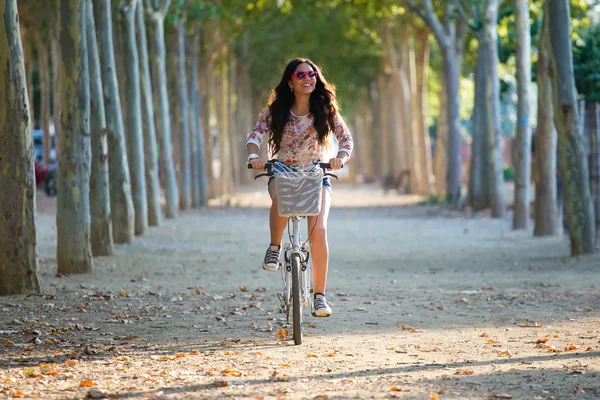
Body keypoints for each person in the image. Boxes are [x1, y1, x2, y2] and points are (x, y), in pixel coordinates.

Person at [246, 58, 353, 317]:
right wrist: (254, 158)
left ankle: (319, 297)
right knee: (279, 202)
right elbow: (255, 136)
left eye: (313, 74)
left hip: (316, 173)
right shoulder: (276, 110)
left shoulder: (325, 109)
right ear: (290, 81)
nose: (308, 78)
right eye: (301, 74)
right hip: (281, 170)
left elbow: (345, 139)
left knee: (319, 230)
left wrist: (340, 158)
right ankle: (274, 248)